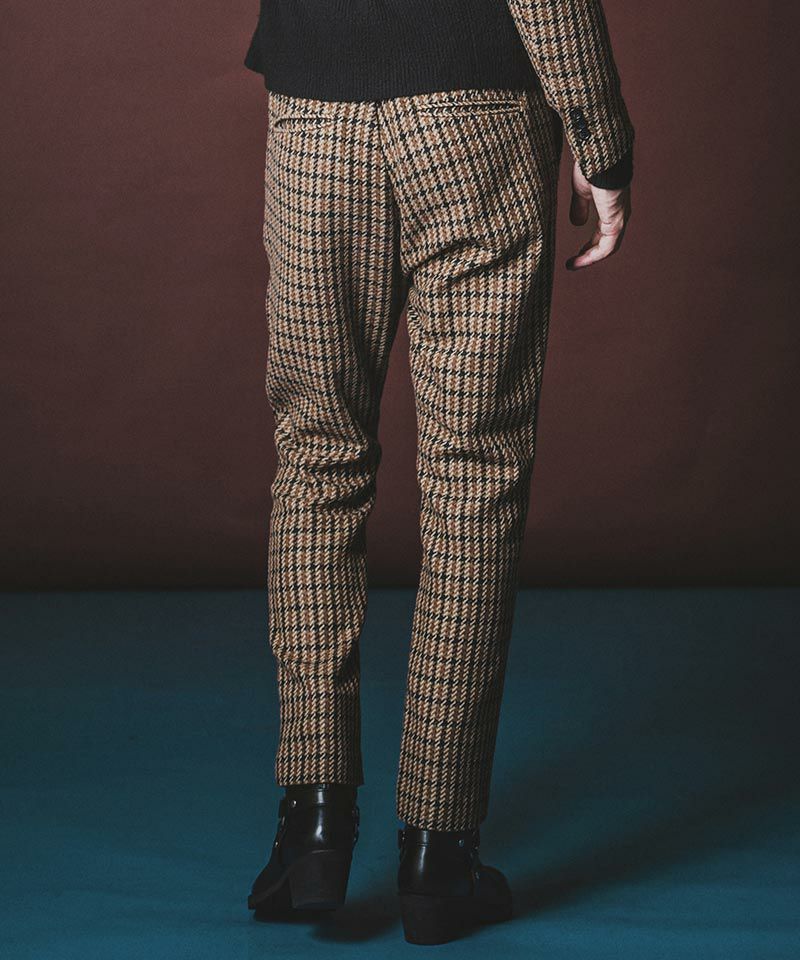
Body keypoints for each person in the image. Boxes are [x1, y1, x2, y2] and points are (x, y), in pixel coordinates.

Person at [242, 0, 635, 944]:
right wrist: (602, 140)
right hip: (473, 124)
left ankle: (313, 825)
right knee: (473, 475)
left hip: (314, 118)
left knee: (317, 460)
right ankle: (438, 852)